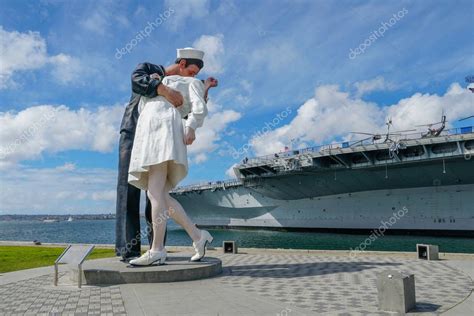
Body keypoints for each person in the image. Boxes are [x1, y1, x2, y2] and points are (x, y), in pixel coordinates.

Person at [115, 49, 217, 261]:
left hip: (161, 130)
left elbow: (192, 107)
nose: (193, 76)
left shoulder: (187, 83)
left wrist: (192, 124)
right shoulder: (151, 71)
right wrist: (163, 89)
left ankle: (157, 248)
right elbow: (137, 82)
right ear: (181, 63)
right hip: (140, 130)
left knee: (155, 193)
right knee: (144, 192)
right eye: (191, 71)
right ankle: (194, 237)